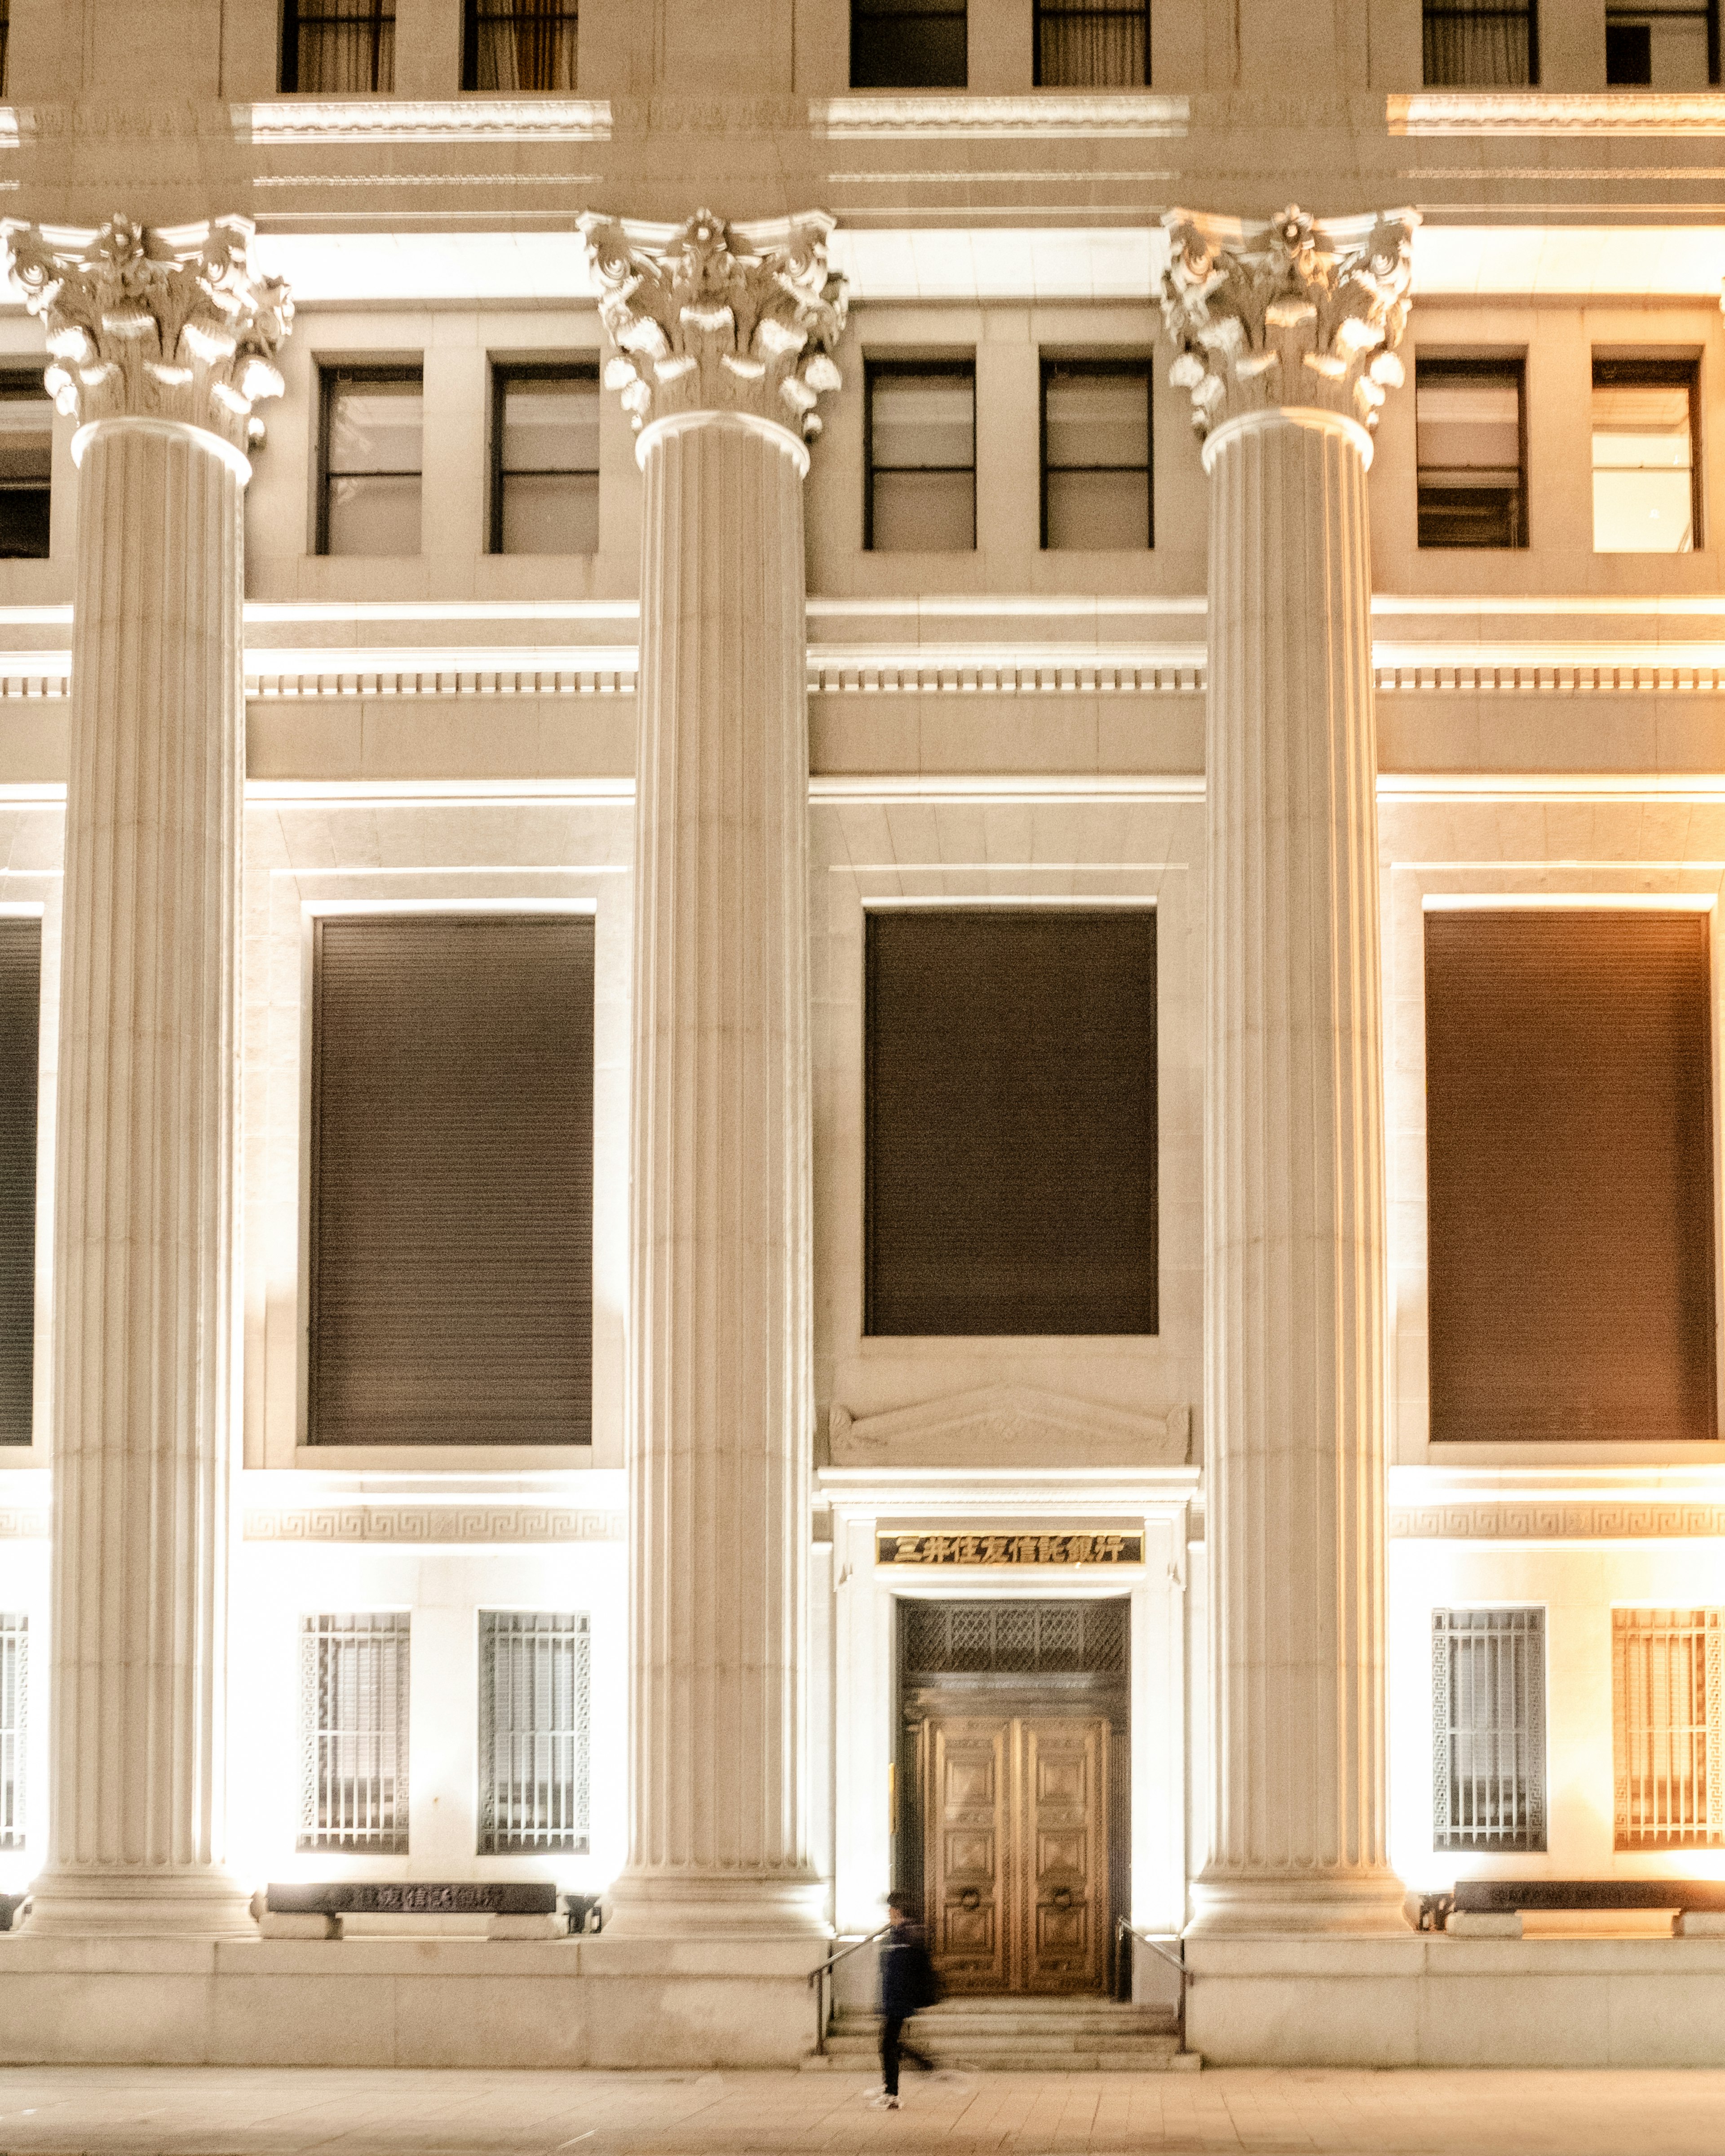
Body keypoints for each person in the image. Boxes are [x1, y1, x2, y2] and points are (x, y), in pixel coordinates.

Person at [871, 1891, 938, 2108]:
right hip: (894, 2000)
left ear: (898, 1910)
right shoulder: (898, 1934)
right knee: (891, 2044)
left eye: (890, 1908)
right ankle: (895, 2082)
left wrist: (901, 2001)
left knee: (889, 2044)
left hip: (899, 2001)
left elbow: (907, 1972)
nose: (888, 1912)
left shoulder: (906, 1936)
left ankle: (892, 2093)